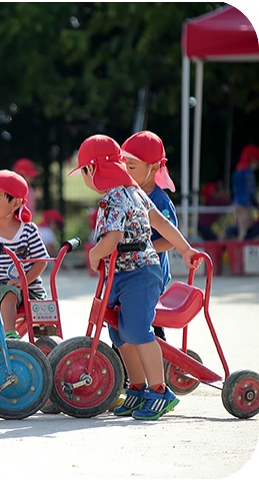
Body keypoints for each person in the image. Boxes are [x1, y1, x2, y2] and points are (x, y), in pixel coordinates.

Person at [68, 134, 201, 421]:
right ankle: (137, 387)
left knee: (138, 331)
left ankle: (159, 390)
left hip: (139, 274)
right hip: (122, 272)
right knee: (119, 331)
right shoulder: (133, 191)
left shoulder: (114, 198)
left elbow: (113, 238)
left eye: (83, 174)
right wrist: (185, 248)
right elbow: (159, 223)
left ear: (92, 170)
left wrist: (94, 255)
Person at [0, 170, 49, 339]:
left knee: (46, 311)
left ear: (15, 203)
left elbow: (41, 261)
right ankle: (10, 335)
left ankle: (46, 345)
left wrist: (24, 280)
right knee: (10, 292)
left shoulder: (28, 230)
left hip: (30, 286)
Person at [121, 130, 176, 341]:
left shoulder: (160, 201)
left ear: (153, 167)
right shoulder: (127, 195)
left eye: (132, 166)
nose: (126, 170)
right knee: (123, 317)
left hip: (151, 274)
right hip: (130, 268)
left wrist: (144, 249)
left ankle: (157, 354)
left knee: (147, 321)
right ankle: (124, 361)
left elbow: (171, 239)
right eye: (124, 164)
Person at [231, 144, 259, 240]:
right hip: (244, 205)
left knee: (236, 229)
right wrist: (255, 203)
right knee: (245, 231)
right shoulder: (248, 173)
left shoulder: (237, 171)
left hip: (236, 204)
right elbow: (250, 190)